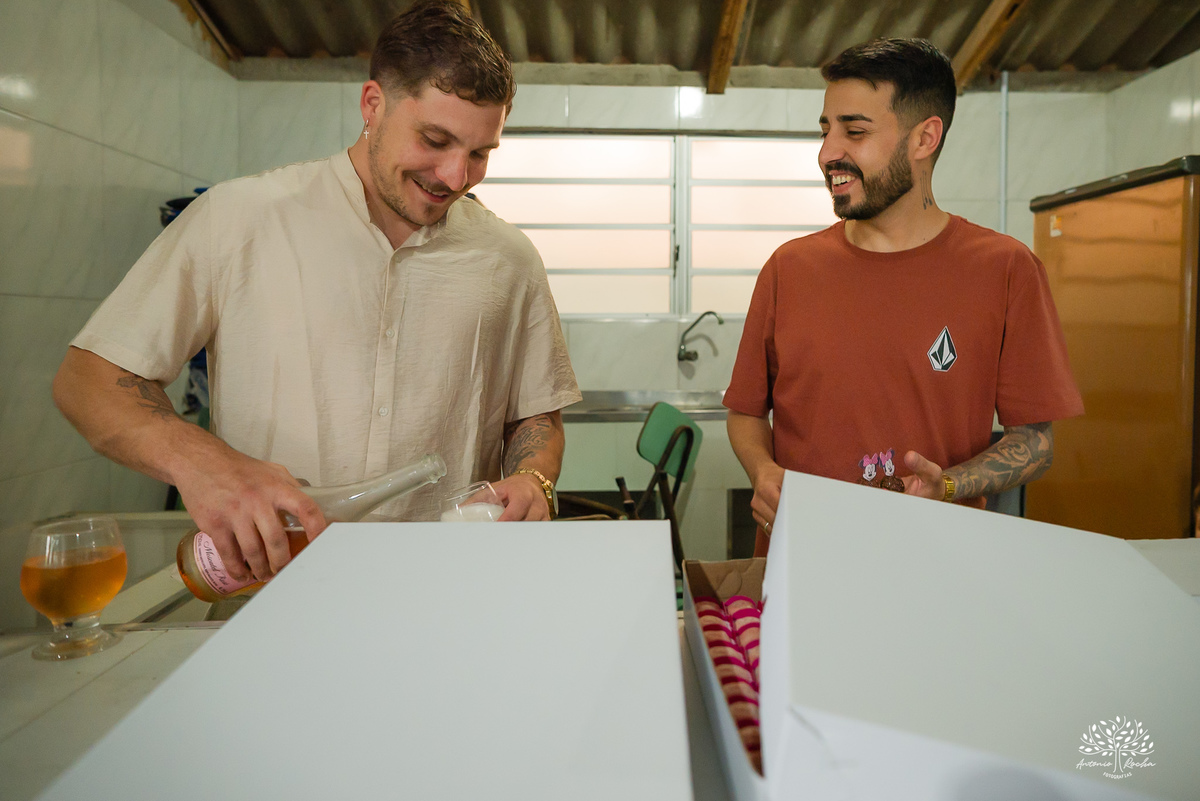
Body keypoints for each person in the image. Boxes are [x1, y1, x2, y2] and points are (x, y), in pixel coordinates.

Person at [52, 0, 580, 584]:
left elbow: (535, 415)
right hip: (272, 585)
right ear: (373, 105)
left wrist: (534, 478)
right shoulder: (239, 218)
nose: (456, 176)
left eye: (479, 153)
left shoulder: (509, 258)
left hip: (446, 585)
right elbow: (87, 381)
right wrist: (202, 463)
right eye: (435, 139)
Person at [724, 38, 1083, 556]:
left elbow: (1036, 442)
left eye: (855, 131)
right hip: (800, 562)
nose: (827, 153)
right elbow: (745, 413)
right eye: (826, 131)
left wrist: (950, 484)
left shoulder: (1006, 269)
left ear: (924, 138)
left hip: (938, 568)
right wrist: (763, 471)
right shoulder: (789, 268)